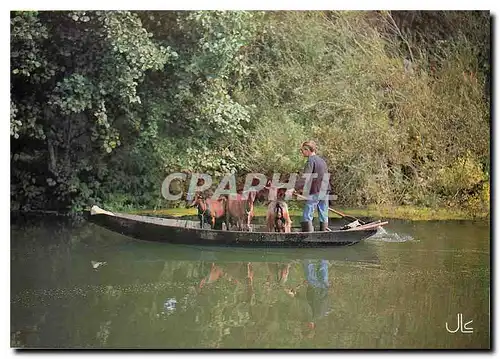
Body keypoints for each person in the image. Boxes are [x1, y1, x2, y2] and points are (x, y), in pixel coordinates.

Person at [295, 140, 331, 232]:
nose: (302, 152)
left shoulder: (310, 161)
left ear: (307, 150)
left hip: (316, 191)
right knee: (323, 213)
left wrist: (294, 188)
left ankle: (308, 236)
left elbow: (305, 178)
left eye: (302, 150)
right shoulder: (322, 160)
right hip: (325, 190)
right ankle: (324, 233)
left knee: (307, 214)